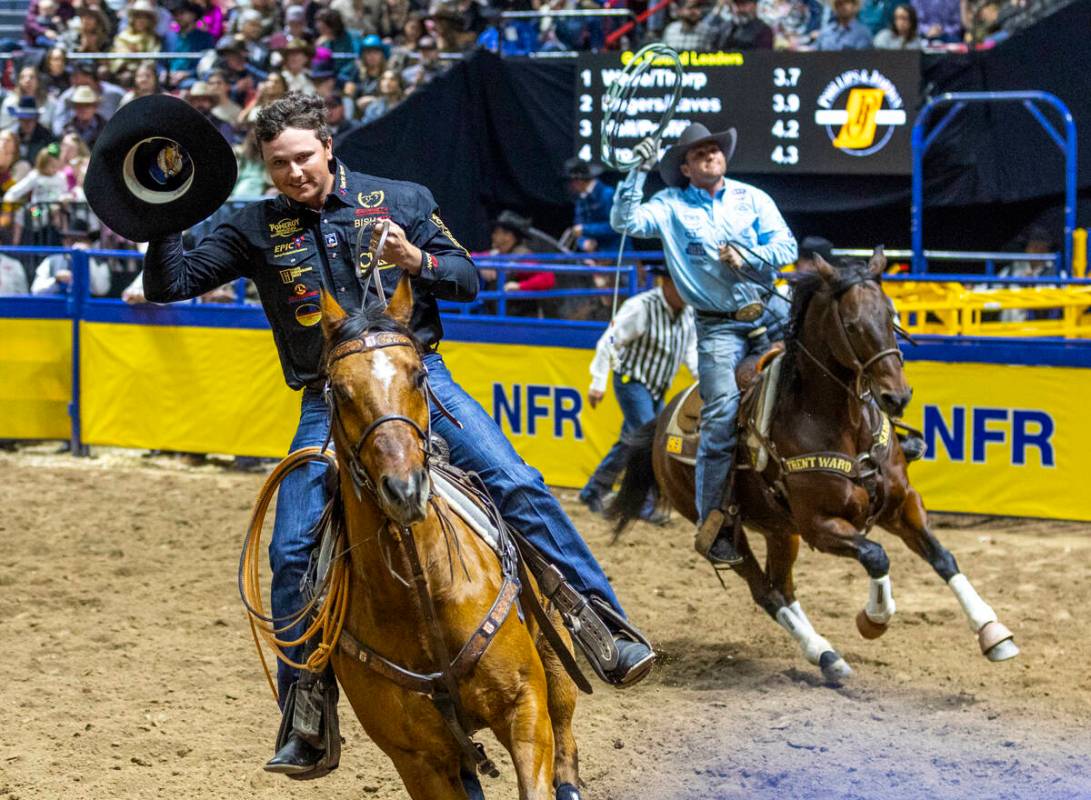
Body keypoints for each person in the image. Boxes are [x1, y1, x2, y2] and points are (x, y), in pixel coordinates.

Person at [140, 92, 655, 777]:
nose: (293, 174)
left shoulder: (401, 199)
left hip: (420, 381)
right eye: (277, 165)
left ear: (328, 147)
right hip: (329, 399)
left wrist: (418, 260)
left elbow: (467, 277)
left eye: (302, 158)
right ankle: (306, 710)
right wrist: (163, 212)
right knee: (291, 549)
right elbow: (170, 281)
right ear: (264, 167)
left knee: (516, 482)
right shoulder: (252, 225)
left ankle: (601, 625)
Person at [611, 122, 797, 566]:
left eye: (714, 150)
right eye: (700, 154)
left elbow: (786, 244)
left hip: (772, 307)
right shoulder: (669, 205)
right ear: (686, 168)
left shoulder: (752, 198)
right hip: (718, 327)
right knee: (719, 415)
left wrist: (749, 256)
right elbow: (625, 221)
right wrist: (638, 170)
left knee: (837, 359)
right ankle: (714, 523)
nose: (711, 156)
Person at [580, 265, 697, 519]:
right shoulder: (641, 306)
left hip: (657, 385)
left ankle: (595, 488)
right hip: (631, 379)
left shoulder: (689, 313)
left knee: (632, 439)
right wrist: (598, 381)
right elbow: (609, 339)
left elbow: (691, 352)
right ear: (664, 282)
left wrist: (706, 380)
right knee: (649, 440)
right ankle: (643, 502)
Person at [30, 217, 111, 295]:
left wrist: (87, 259)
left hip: (88, 308)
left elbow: (101, 290)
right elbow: (35, 291)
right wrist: (56, 280)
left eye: (78, 240)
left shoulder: (99, 263)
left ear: (89, 242)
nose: (74, 245)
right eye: (69, 239)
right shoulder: (51, 261)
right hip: (57, 307)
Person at [10, 97, 54, 165]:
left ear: (36, 119)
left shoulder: (47, 136)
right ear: (19, 119)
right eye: (23, 119)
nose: (27, 123)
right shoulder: (12, 135)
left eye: (30, 119)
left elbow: (54, 155)